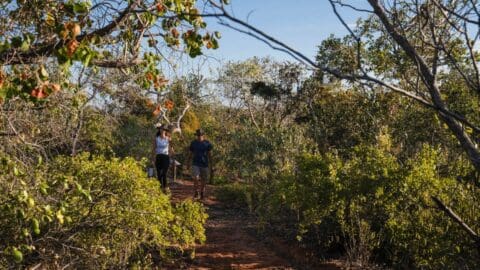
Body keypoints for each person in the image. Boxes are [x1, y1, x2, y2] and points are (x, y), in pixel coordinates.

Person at [188, 128, 213, 199]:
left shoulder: (207, 143)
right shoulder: (193, 143)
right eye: (198, 135)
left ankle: (202, 192)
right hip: (195, 163)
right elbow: (190, 154)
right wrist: (188, 162)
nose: (199, 136)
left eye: (200, 135)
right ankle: (196, 192)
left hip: (204, 164)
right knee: (196, 178)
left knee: (204, 179)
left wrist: (211, 164)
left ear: (203, 135)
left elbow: (209, 155)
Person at [152, 124, 173, 191]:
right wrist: (153, 157)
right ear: (160, 130)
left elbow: (171, 149)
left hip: (165, 157)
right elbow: (154, 148)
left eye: (164, 129)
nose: (162, 130)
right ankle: (160, 188)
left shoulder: (168, 139)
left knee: (164, 173)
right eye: (161, 129)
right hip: (158, 156)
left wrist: (170, 155)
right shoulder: (156, 138)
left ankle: (165, 187)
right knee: (159, 173)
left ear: (165, 131)